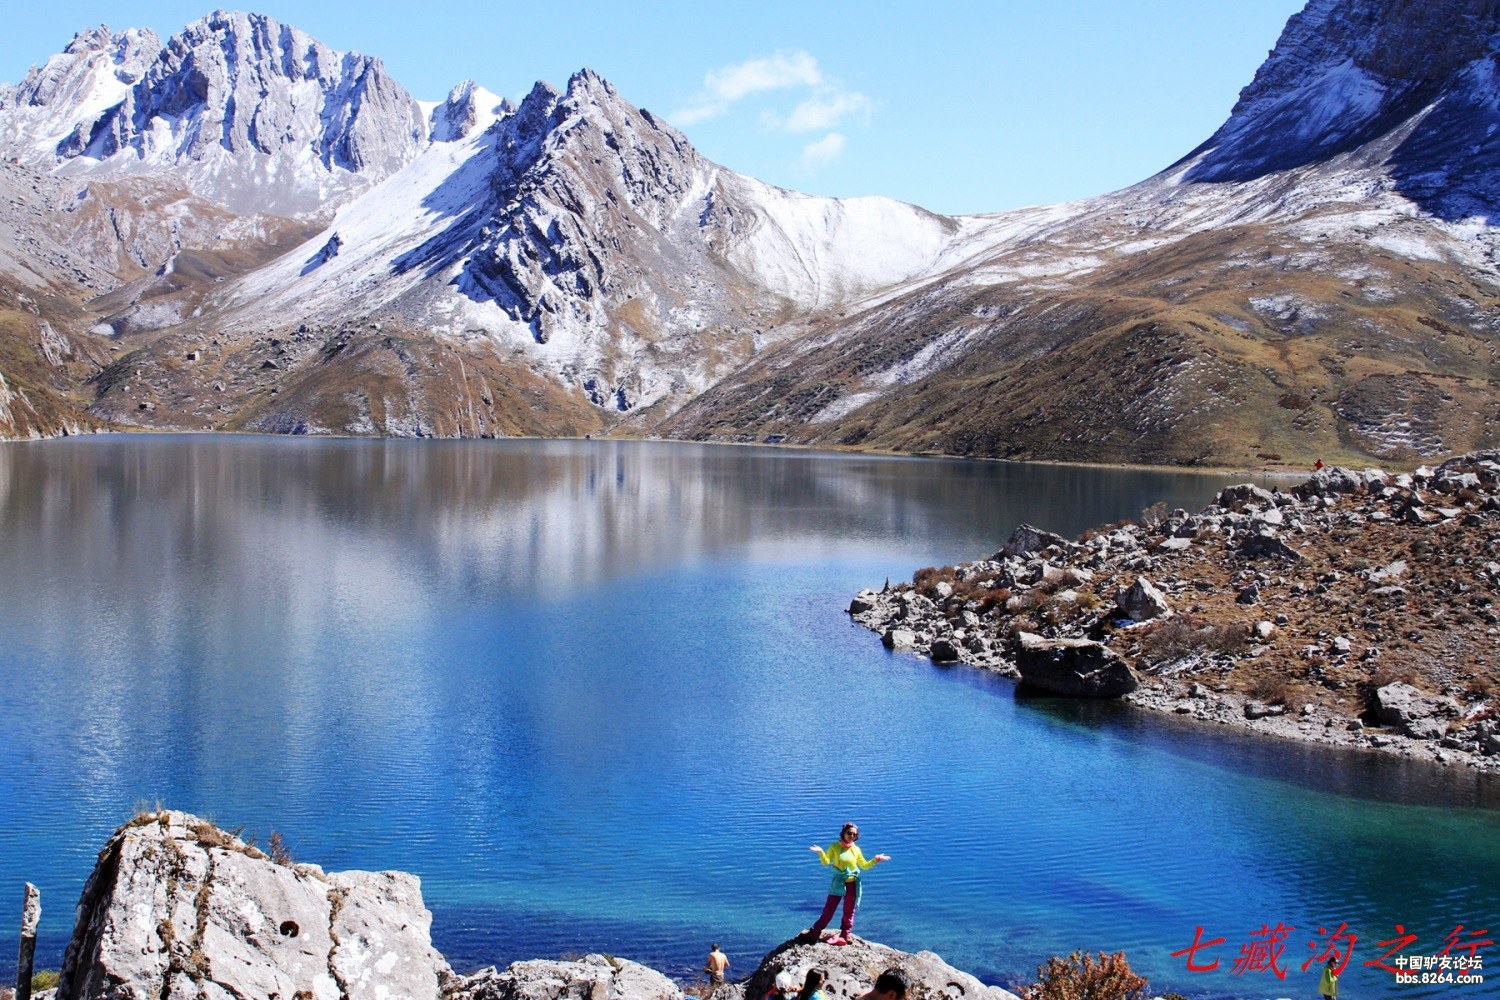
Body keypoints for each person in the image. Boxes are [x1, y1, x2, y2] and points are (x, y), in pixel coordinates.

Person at [802, 822, 890, 945]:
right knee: (829, 910)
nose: (852, 836)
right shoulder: (834, 846)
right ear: (843, 833)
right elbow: (826, 862)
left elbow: (864, 866)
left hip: (852, 884)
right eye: (849, 833)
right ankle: (815, 932)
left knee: (849, 911)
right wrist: (821, 852)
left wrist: (876, 859)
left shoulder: (856, 849)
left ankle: (845, 934)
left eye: (855, 834)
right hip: (838, 883)